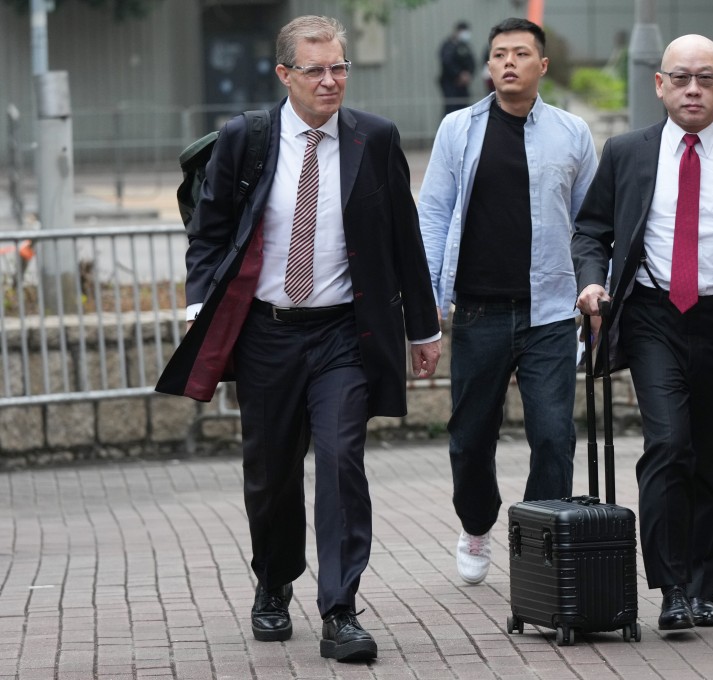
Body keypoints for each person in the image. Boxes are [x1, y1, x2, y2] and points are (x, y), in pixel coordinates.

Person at [155, 15, 442, 662]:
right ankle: (274, 578)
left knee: (342, 461)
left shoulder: (376, 139)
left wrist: (423, 328)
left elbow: (404, 239)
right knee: (272, 474)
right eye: (315, 69)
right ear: (285, 74)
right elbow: (211, 229)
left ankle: (340, 609)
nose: (330, 79)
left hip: (344, 331)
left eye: (339, 66)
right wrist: (204, 308)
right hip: (267, 335)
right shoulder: (247, 141)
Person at [572, 34, 713, 632]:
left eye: (705, 78)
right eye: (681, 78)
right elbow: (591, 230)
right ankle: (671, 586)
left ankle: (704, 587)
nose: (693, 89)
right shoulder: (627, 152)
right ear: (660, 84)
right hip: (653, 315)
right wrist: (591, 282)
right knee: (669, 444)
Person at [418, 17, 597, 586]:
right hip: (477, 311)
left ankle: (538, 548)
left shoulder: (572, 133)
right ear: (489, 66)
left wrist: (598, 288)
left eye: (522, 53)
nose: (509, 63)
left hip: (550, 311)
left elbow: (593, 224)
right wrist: (426, 305)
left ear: (542, 66)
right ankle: (476, 523)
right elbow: (435, 214)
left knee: (553, 436)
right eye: (499, 55)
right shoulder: (458, 129)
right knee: (470, 437)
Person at [438, 20, 476, 115]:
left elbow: (472, 62)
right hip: (450, 83)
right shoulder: (447, 45)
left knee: (464, 109)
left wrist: (468, 75)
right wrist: (459, 75)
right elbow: (447, 62)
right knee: (451, 108)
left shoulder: (465, 46)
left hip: (463, 85)